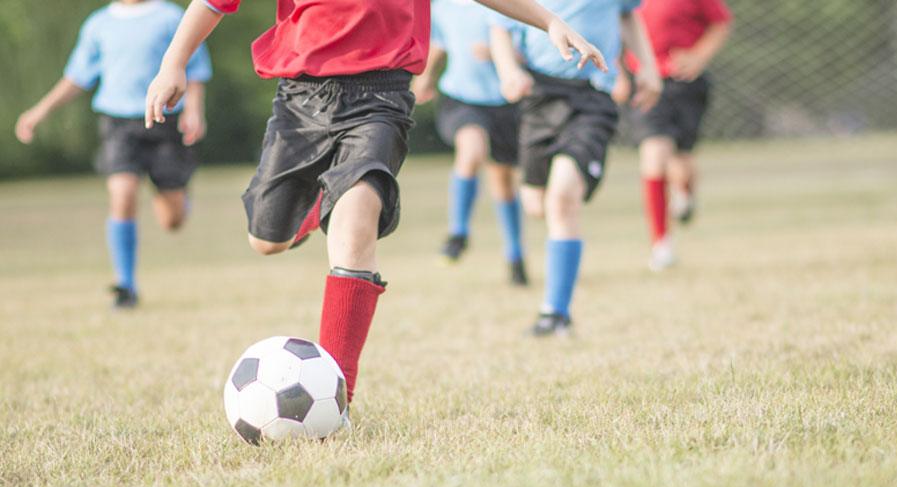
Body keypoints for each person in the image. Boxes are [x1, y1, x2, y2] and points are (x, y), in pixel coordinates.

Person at [143, 0, 607, 417]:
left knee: (355, 221)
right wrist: (172, 64)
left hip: (380, 97)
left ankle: (338, 393)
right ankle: (315, 205)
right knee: (266, 240)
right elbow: (213, 3)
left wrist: (549, 21)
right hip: (301, 99)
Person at [14, 0, 212, 309]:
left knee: (172, 219)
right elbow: (76, 77)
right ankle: (126, 285)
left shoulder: (171, 16)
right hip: (118, 124)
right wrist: (39, 111)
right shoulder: (98, 24)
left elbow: (195, 68)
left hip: (165, 122)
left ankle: (175, 192)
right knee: (122, 193)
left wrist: (195, 111)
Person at [490, 0, 662, 337]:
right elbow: (500, 26)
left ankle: (555, 314)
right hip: (540, 95)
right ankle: (557, 292)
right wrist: (509, 71)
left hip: (593, 96)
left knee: (562, 197)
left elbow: (629, 16)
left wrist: (649, 67)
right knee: (536, 205)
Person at [412, 0, 529, 286]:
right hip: (461, 98)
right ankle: (458, 232)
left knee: (502, 180)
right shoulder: (444, 6)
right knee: (472, 149)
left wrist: (499, 54)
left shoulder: (513, 5)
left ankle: (515, 255)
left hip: (504, 102)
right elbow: (440, 42)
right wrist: (426, 78)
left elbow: (532, 51)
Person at [617, 0, 732, 272]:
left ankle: (685, 194)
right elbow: (614, 25)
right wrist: (620, 74)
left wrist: (698, 56)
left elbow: (721, 23)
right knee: (654, 153)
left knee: (681, 160)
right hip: (646, 81)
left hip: (684, 83)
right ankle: (661, 244)